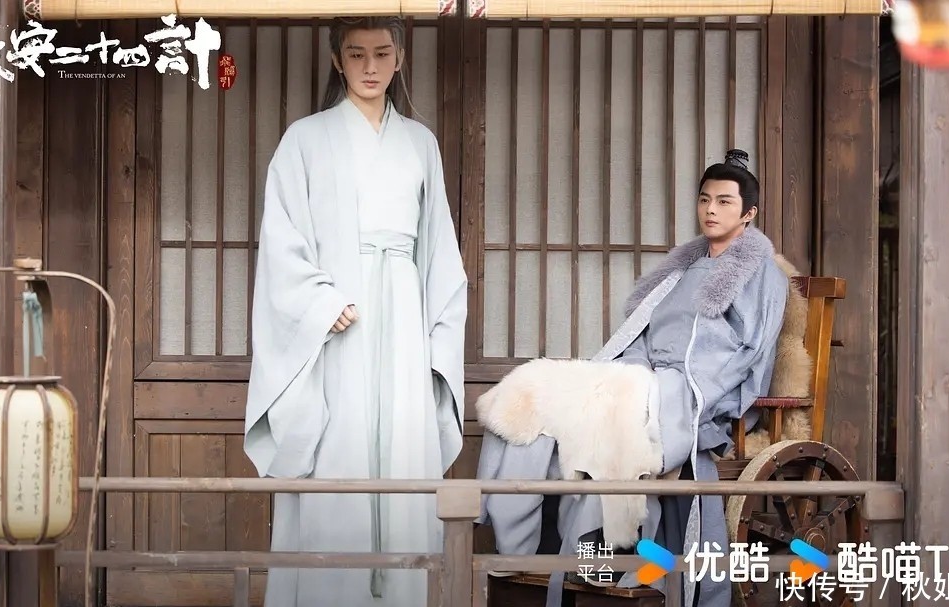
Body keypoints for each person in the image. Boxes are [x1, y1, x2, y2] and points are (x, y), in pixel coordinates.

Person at [476, 149, 788, 607]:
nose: (711, 210)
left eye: (724, 201)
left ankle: (601, 548)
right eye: (705, 199)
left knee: (615, 412)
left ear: (749, 213)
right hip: (646, 377)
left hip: (695, 388)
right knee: (534, 387)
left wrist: (674, 383)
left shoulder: (762, 274)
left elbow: (749, 351)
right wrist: (633, 371)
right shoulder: (681, 269)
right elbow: (641, 335)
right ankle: (518, 543)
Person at [242, 16, 468, 607]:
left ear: (400, 58)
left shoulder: (421, 144)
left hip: (403, 317)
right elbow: (282, 241)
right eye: (356, 54)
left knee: (402, 446)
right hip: (338, 323)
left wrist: (435, 343)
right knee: (337, 451)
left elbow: (440, 251)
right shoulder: (304, 139)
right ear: (337, 60)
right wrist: (319, 300)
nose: (370, 67)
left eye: (382, 53)